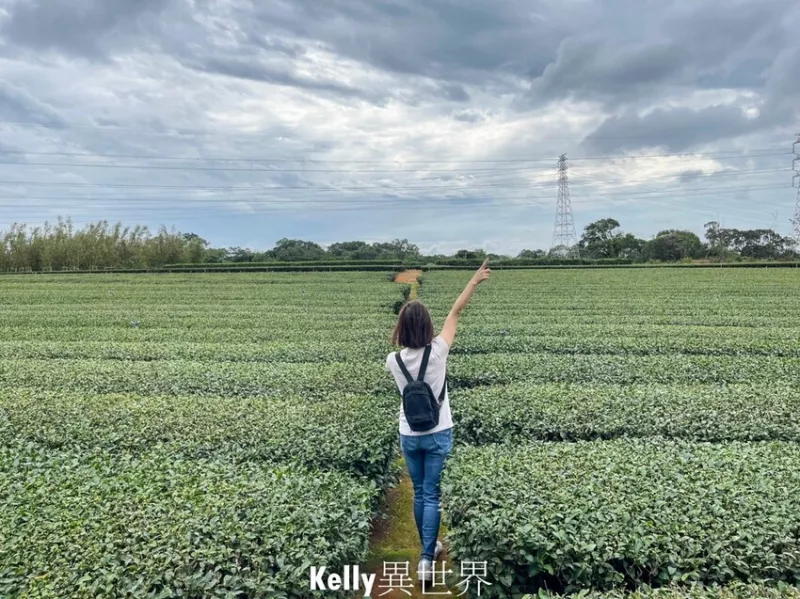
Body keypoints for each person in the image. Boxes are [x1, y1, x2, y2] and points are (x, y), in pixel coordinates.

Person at [385, 259, 492, 582]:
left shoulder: (393, 360)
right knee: (432, 493)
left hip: (409, 432)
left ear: (401, 326)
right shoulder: (440, 350)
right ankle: (428, 558)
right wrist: (474, 282)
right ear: (427, 325)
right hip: (438, 431)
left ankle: (425, 556)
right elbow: (455, 314)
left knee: (419, 492)